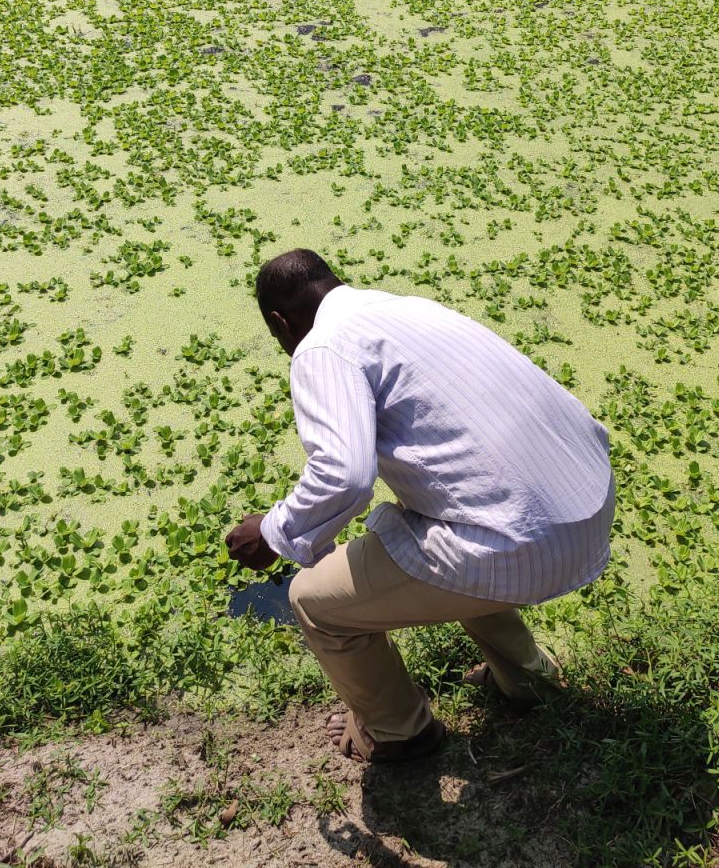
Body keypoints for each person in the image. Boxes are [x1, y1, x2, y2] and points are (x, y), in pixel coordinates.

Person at [224, 249, 616, 765]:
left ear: (281, 322)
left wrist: (274, 533)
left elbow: (344, 476)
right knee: (455, 526)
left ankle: (398, 732)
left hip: (527, 540)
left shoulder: (321, 348)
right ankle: (529, 681)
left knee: (315, 604)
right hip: (589, 502)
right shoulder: (406, 308)